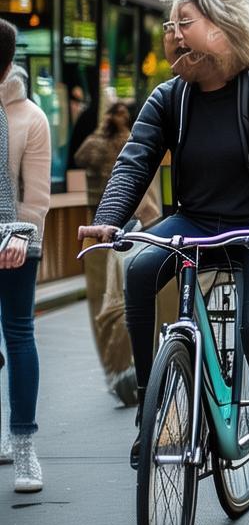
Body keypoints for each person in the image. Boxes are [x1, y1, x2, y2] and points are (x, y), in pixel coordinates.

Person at [78, 0, 249, 516]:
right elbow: (135, 161)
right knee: (136, 270)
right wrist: (110, 218)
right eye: (171, 24)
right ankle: (152, 410)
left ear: (223, 29)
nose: (173, 34)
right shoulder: (168, 99)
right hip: (195, 221)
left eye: (185, 22)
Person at [0, 20, 51, 492]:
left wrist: (21, 235)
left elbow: (35, 196)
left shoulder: (30, 117)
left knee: (18, 335)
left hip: (16, 244)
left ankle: (24, 448)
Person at [74, 102, 149, 404]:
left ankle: (115, 367)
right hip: (125, 224)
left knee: (104, 305)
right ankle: (122, 367)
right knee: (116, 300)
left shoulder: (96, 142)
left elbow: (80, 158)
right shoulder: (128, 140)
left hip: (98, 223)